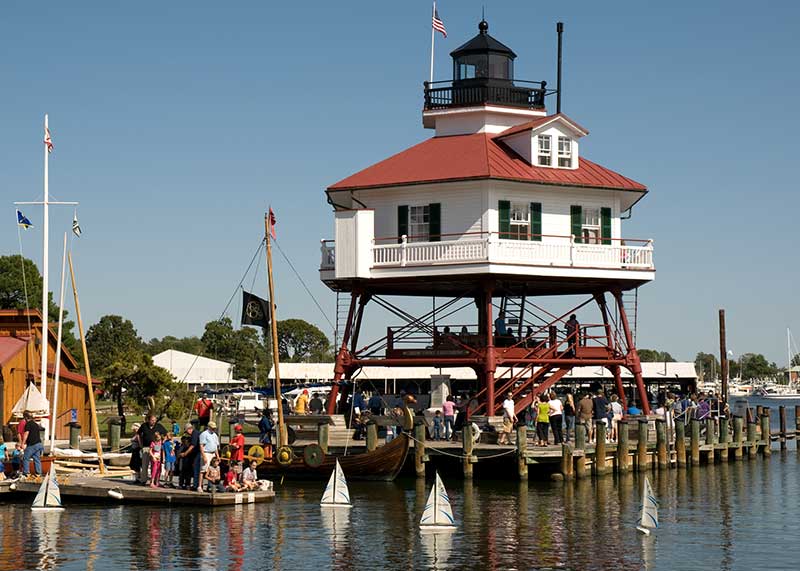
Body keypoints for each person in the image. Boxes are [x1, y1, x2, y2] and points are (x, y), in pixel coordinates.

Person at [137, 415, 167, 485]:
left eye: (154, 420)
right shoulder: (144, 426)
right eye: (152, 420)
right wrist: (140, 444)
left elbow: (166, 434)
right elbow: (138, 434)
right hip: (146, 447)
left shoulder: (159, 426)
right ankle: (143, 480)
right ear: (148, 420)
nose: (153, 422)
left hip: (156, 449)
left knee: (155, 465)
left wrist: (162, 442)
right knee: (145, 464)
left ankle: (154, 480)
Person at [198, 421, 220, 492]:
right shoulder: (204, 434)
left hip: (213, 453)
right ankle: (199, 486)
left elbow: (216, 446)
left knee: (212, 469)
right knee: (203, 469)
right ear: (209, 427)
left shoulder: (215, 435)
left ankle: (209, 486)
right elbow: (201, 446)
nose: (214, 429)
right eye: (212, 428)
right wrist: (203, 456)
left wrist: (217, 455)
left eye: (214, 428)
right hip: (206, 452)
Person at [20, 412, 43, 477]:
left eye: (24, 417)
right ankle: (38, 473)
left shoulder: (28, 424)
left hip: (32, 444)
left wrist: (23, 443)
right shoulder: (35, 424)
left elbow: (26, 434)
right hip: (39, 443)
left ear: (26, 417)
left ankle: (26, 473)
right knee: (36, 458)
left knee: (25, 458)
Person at [178, 423, 200, 490]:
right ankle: (185, 484)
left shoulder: (194, 433)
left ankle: (194, 485)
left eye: (187, 431)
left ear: (189, 429)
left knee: (194, 470)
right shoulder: (195, 433)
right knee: (188, 471)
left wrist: (185, 453)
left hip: (196, 454)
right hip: (193, 455)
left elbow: (193, 445)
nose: (187, 433)